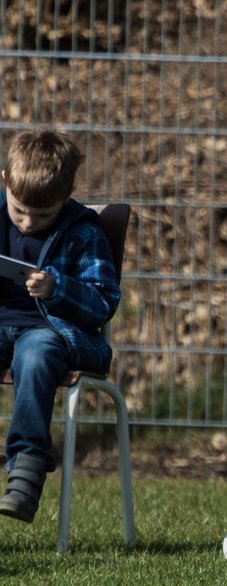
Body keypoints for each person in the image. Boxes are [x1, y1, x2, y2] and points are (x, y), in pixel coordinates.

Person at [0, 128, 120, 523]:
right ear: (5, 182)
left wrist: (57, 289)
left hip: (54, 333)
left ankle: (28, 469)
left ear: (65, 199)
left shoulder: (83, 232)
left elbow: (103, 302)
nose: (29, 222)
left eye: (43, 215)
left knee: (35, 355)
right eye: (19, 211)